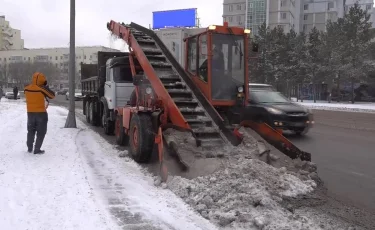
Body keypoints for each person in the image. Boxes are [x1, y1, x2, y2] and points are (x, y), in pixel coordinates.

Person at [24, 72, 55, 154]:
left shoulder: (26, 88)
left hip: (30, 113)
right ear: (42, 80)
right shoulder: (42, 89)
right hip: (41, 113)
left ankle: (29, 147)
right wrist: (46, 87)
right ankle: (37, 149)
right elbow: (52, 95)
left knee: (31, 130)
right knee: (41, 132)